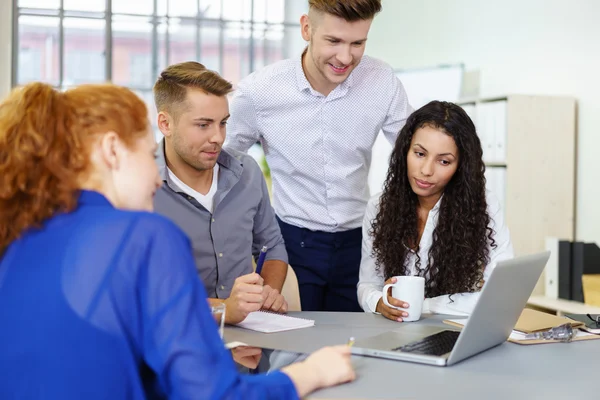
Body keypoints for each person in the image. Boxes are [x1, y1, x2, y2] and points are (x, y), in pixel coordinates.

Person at [0, 82, 354, 399]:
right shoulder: (144, 235)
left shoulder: (21, 235)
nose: (156, 175)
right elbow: (211, 394)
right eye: (145, 153)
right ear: (112, 151)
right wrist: (309, 374)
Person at [226, 0, 413, 312]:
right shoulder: (260, 91)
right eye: (334, 41)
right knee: (292, 345)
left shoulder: (381, 81)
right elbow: (223, 162)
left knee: (354, 347)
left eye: (358, 43)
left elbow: (415, 153)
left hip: (360, 243)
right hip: (291, 245)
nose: (345, 57)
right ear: (306, 28)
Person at [152, 62, 288, 324]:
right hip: (175, 341)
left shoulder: (247, 171)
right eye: (203, 125)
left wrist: (268, 292)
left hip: (249, 343)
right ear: (165, 123)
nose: (217, 137)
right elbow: (146, 292)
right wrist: (225, 309)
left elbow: (271, 247)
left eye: (223, 123)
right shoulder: (139, 187)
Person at [357, 101, 514, 321]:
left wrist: (423, 305)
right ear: (405, 150)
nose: (426, 170)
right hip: (395, 329)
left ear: (460, 166)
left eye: (444, 161)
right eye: (420, 154)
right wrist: (379, 302)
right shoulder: (379, 207)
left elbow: (500, 294)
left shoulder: (483, 204)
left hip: (451, 330)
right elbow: (367, 284)